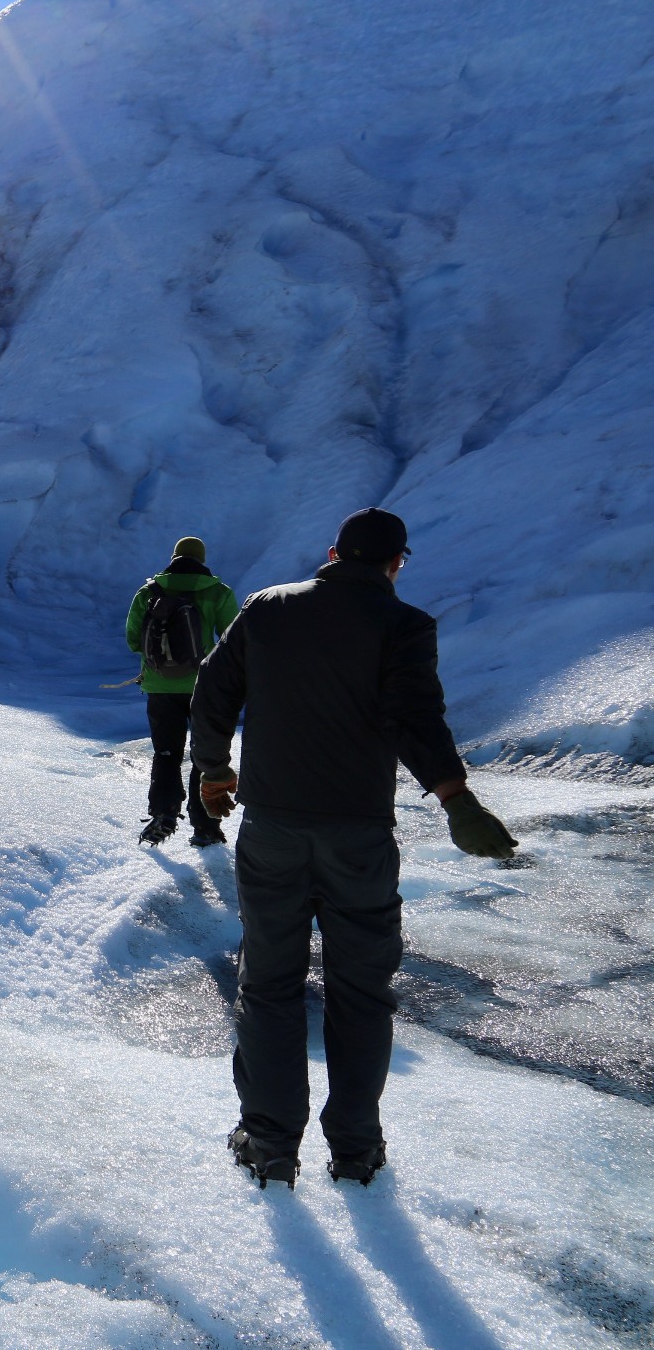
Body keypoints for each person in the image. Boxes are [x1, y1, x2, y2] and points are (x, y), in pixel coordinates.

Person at [190, 507, 517, 1189]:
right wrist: (457, 800)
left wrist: (216, 768)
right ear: (397, 562)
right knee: (362, 995)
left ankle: (270, 1142)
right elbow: (414, 717)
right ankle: (356, 1149)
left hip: (273, 830)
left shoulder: (268, 607)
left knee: (270, 985)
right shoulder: (404, 626)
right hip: (359, 839)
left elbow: (213, 692)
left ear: (334, 551)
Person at [124, 536, 238, 847]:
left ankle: (164, 811)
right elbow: (233, 638)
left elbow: (133, 638)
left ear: (174, 557)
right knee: (205, 753)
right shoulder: (218, 591)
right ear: (202, 559)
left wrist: (160, 661)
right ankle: (205, 827)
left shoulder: (149, 592)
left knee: (166, 753)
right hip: (205, 685)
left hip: (160, 686)